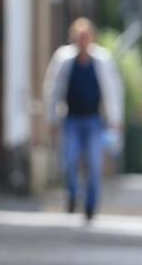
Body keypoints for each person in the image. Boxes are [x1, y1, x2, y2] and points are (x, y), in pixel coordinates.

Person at [43, 18, 124, 221]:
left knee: (94, 164)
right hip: (71, 119)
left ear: (92, 39)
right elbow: (53, 89)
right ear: (74, 39)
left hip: (94, 121)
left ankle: (90, 205)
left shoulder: (102, 60)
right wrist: (52, 117)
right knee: (69, 161)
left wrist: (116, 119)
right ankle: (71, 196)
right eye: (79, 38)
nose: (83, 41)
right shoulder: (63, 59)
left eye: (86, 37)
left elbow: (113, 91)